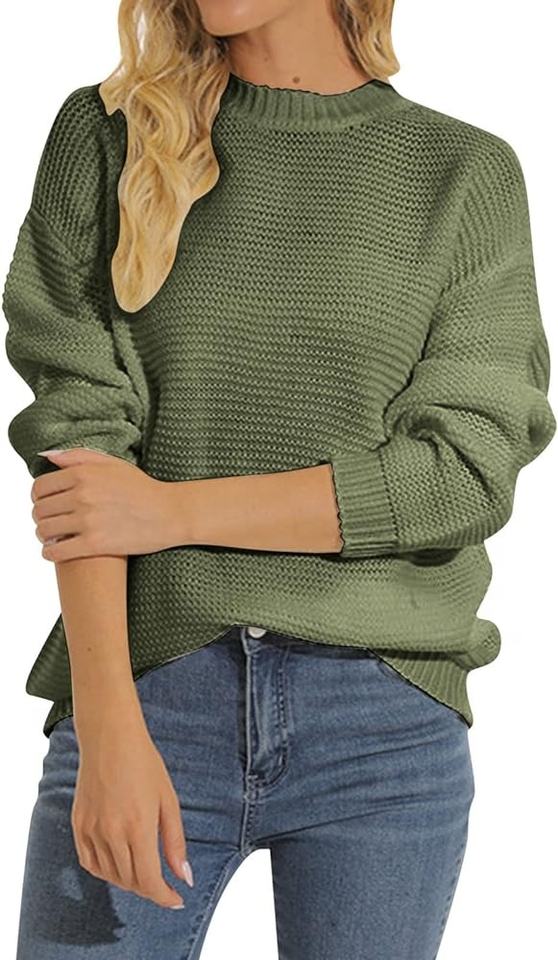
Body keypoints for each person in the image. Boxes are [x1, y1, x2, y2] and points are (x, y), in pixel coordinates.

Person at [3, 1, 555, 958]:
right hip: (150, 691)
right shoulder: (109, 135)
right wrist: (108, 727)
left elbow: (463, 473)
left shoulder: (461, 172)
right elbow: (80, 449)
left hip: (383, 720)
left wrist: (167, 512)